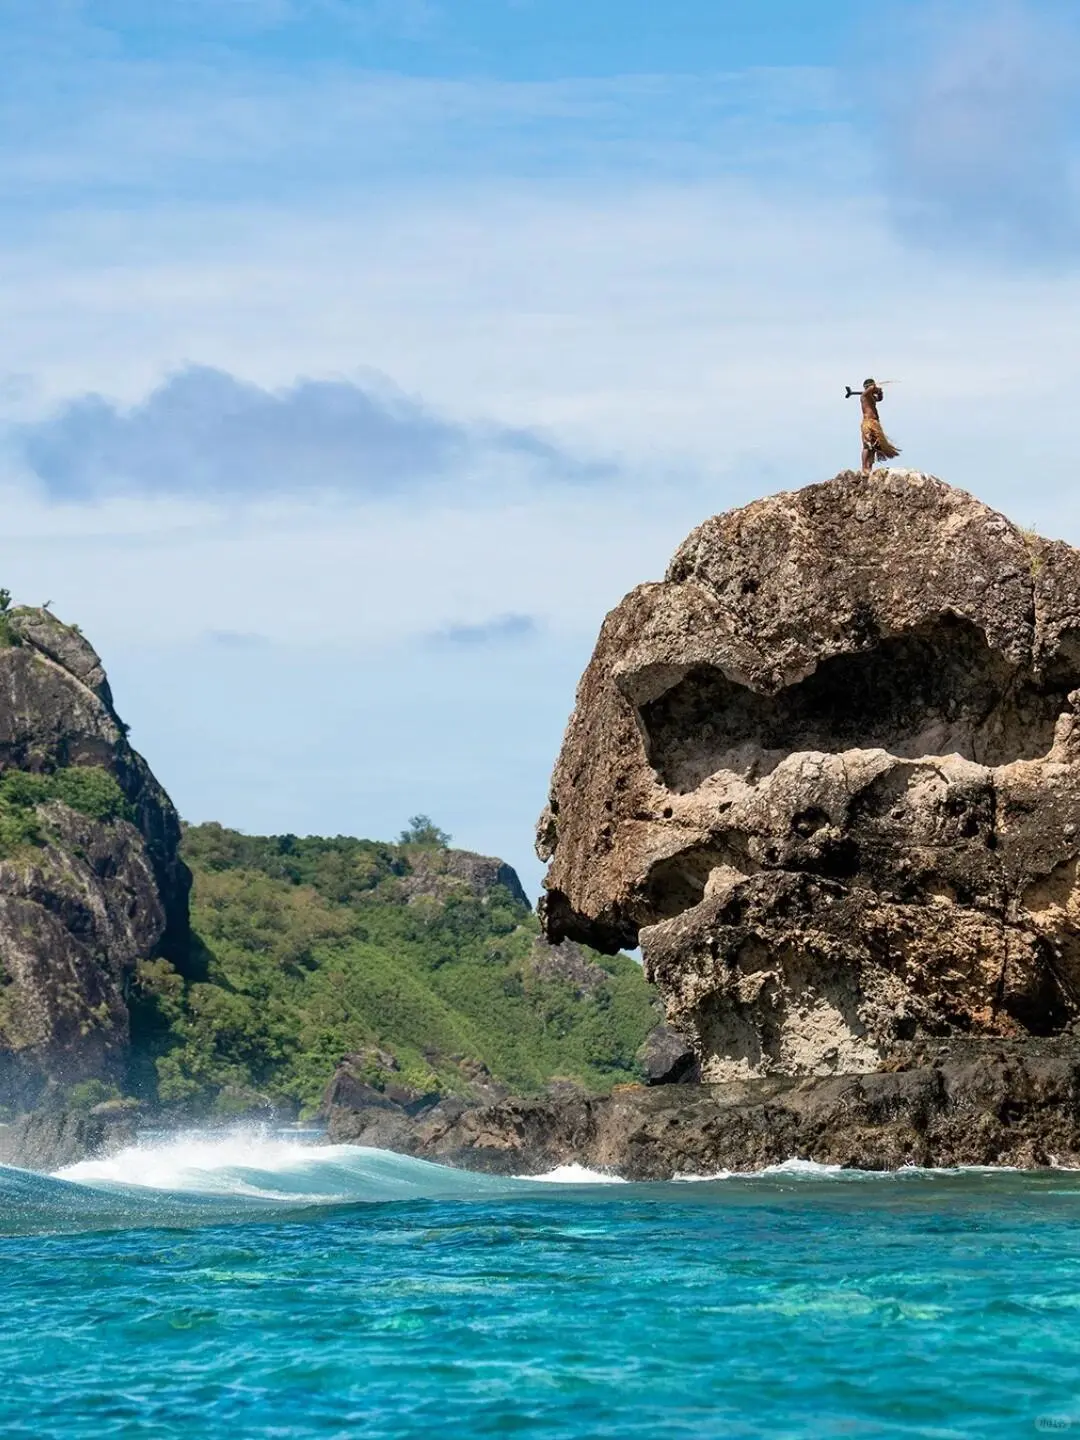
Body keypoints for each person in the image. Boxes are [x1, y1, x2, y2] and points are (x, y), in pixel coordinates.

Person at [845, 378, 900, 474]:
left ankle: (869, 466)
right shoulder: (864, 396)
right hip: (868, 423)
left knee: (874, 446)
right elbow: (870, 389)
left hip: (875, 423)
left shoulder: (871, 397)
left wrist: (880, 393)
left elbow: (879, 399)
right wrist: (875, 387)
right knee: (867, 446)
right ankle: (864, 467)